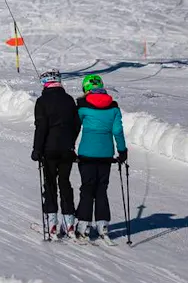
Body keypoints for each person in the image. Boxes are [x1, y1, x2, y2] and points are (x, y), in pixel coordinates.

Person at [75, 74, 128, 242]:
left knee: (87, 188)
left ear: (85, 89)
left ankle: (83, 225)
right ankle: (103, 225)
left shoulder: (82, 106)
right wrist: (122, 151)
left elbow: (74, 128)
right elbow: (118, 131)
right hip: (106, 154)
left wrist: (69, 146)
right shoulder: (113, 107)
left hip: (86, 154)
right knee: (101, 189)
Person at [31, 69, 81, 239]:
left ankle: (52, 223)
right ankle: (69, 223)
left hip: (49, 150)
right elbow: (76, 125)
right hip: (67, 150)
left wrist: (37, 149)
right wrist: (70, 141)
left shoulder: (42, 101)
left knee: (50, 185)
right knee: (65, 184)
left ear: (45, 83)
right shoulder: (69, 100)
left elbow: (41, 127)